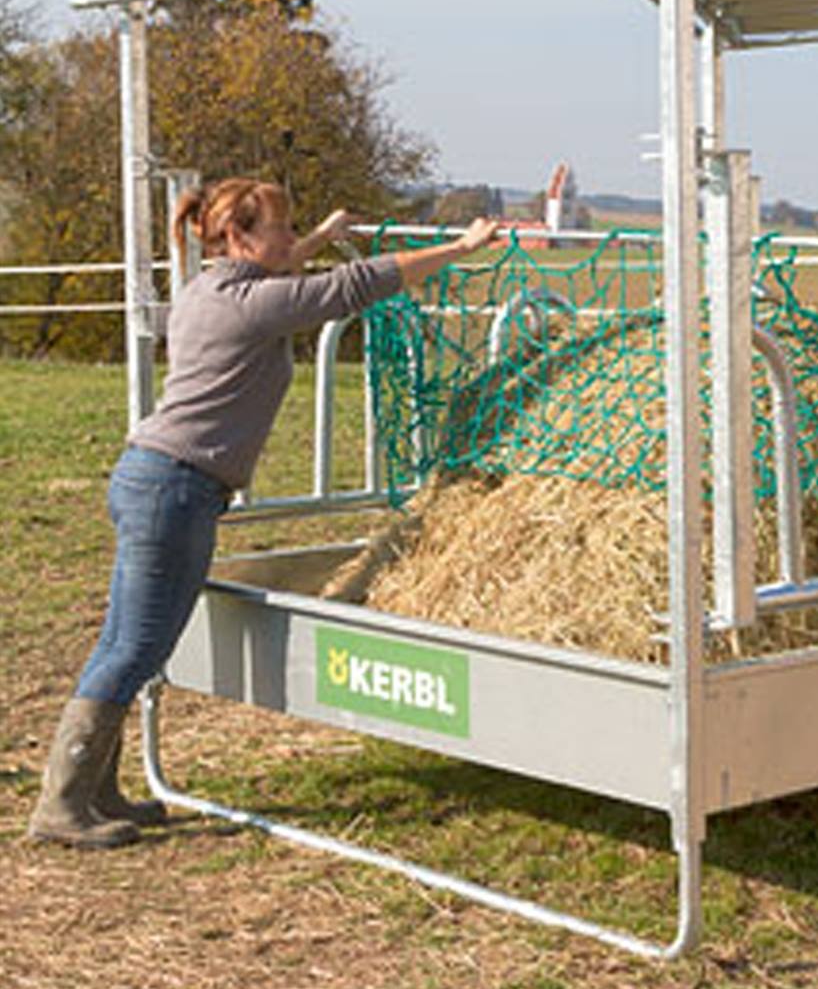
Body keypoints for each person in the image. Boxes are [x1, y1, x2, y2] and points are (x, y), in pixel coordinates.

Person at [28, 177, 497, 848]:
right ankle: (63, 805)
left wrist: (321, 235)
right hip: (174, 490)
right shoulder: (252, 306)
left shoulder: (207, 289)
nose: (289, 239)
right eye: (281, 227)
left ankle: (94, 790)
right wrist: (461, 246)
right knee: (134, 647)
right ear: (243, 238)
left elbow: (284, 274)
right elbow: (350, 288)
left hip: (158, 480)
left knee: (127, 642)